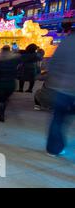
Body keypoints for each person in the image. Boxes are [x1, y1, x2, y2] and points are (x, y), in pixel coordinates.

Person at [45, 27, 75, 157]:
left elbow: (51, 64)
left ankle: (53, 149)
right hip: (70, 89)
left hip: (61, 89)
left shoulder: (65, 42)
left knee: (57, 119)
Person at [0, 45, 21, 122]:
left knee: (0, 100)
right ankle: (3, 110)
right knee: (5, 99)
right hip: (11, 82)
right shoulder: (15, 58)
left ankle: (1, 115)